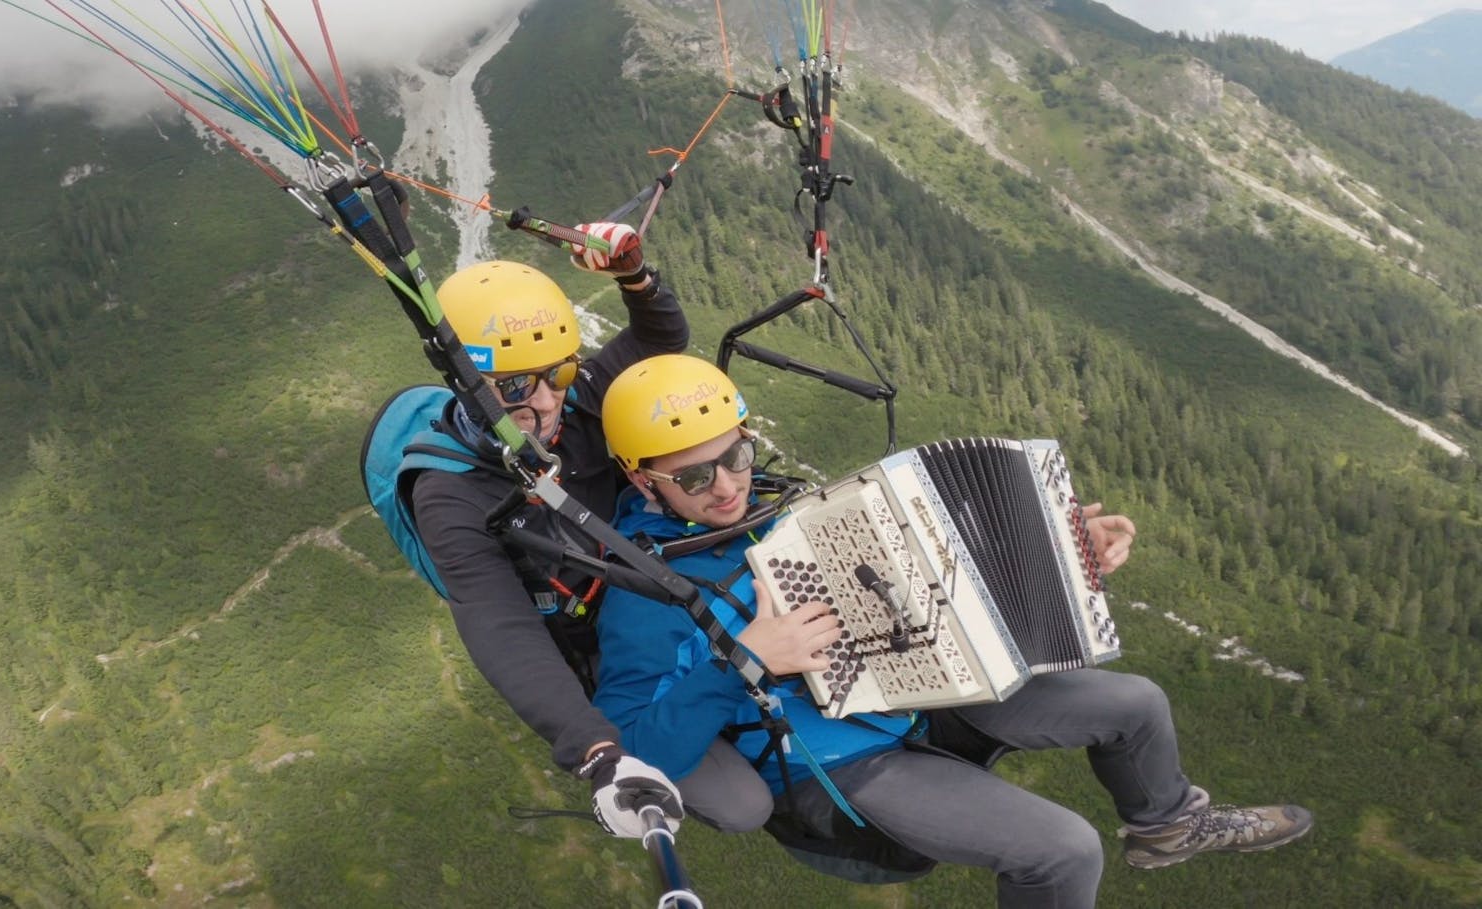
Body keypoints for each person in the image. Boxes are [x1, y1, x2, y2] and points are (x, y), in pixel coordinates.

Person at [591, 354, 1314, 907]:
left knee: (1137, 704)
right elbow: (638, 749)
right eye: (694, 478)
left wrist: (1065, 552)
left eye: (737, 455)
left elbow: (927, 572)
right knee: (1065, 851)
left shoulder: (775, 510)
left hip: (921, 684)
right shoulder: (647, 594)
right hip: (837, 758)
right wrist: (740, 662)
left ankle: (1167, 823)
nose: (726, 485)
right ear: (643, 478)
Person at [411, 228, 768, 838]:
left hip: (652, 587)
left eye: (560, 372)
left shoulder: (577, 405)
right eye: (519, 386)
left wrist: (634, 277)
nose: (547, 402)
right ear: (464, 382)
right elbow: (502, 630)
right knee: (740, 805)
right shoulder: (448, 494)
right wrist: (596, 750)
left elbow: (660, 341)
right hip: (595, 643)